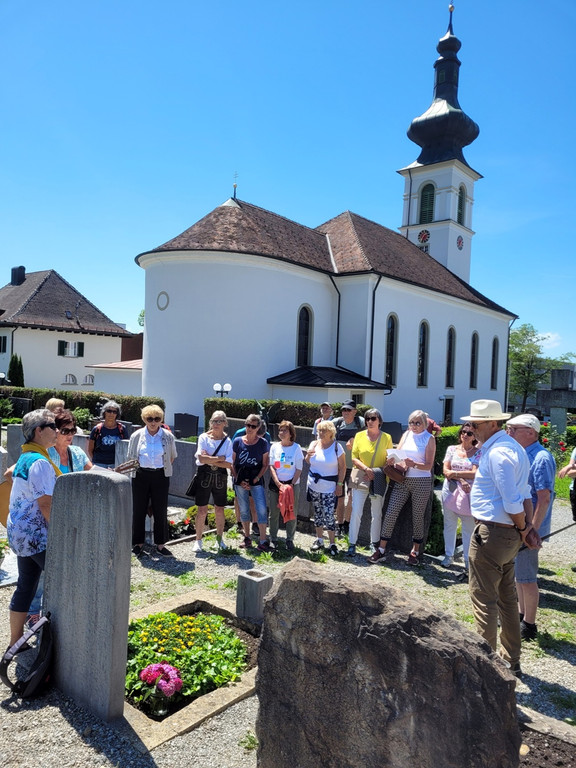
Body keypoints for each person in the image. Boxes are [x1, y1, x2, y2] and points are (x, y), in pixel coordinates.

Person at [461, 399, 540, 678]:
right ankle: (511, 661)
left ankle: (487, 669)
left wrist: (523, 528)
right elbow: (524, 493)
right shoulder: (513, 448)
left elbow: (513, 499)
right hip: (506, 534)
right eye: (470, 424)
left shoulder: (497, 453)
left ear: (493, 423)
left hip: (494, 532)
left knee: (484, 600)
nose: (471, 429)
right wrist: (527, 528)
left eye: (476, 424)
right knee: (507, 598)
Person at [6, 409, 61, 646]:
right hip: (36, 536)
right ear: (39, 431)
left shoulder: (26, 456)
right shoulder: (40, 462)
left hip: (20, 533)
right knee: (64, 581)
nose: (57, 430)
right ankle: (61, 641)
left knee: (26, 586)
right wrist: (60, 536)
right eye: (53, 426)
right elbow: (46, 504)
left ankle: (15, 642)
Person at [506, 413, 556, 641]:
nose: (510, 433)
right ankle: (520, 615)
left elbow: (543, 497)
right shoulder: (524, 454)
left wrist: (532, 530)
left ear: (530, 432)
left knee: (527, 577)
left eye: (514, 429)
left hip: (530, 527)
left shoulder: (541, 458)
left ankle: (529, 624)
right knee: (519, 575)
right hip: (523, 526)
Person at [368, 409, 436, 566]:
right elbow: (398, 454)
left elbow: (428, 466)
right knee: (391, 512)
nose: (413, 425)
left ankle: (415, 550)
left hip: (421, 481)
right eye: (411, 422)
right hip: (402, 478)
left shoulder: (429, 438)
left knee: (417, 516)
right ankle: (382, 549)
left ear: (425, 424)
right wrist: (392, 460)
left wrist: (414, 464)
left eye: (417, 422)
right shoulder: (406, 435)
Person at [128, 404, 178, 558]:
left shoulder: (168, 436)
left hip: (160, 476)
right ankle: (138, 544)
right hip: (140, 475)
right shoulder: (136, 436)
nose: (153, 422)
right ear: (144, 419)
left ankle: (161, 545)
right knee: (139, 510)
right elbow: (131, 456)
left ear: (160, 419)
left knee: (160, 510)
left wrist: (160, 469)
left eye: (157, 419)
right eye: (150, 418)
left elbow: (171, 457)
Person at [347, 409, 392, 556]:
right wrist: (367, 469)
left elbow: (389, 460)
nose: (370, 421)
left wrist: (375, 473)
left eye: (373, 418)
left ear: (379, 420)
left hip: (378, 479)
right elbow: (354, 457)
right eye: (367, 419)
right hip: (361, 478)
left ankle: (374, 543)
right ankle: (352, 542)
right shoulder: (359, 436)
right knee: (356, 511)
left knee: (376, 514)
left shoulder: (386, 437)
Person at [441, 422, 481, 576]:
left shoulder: (478, 453)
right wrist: (461, 478)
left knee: (468, 528)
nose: (465, 435)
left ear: (474, 437)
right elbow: (445, 470)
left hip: (468, 494)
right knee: (449, 524)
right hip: (450, 490)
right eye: (463, 432)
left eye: (469, 433)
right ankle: (448, 555)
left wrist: (457, 475)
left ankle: (467, 561)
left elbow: (475, 473)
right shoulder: (451, 449)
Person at [193, 410, 233, 552]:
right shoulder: (203, 437)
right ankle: (198, 540)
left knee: (220, 509)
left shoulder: (227, 441)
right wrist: (219, 458)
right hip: (203, 476)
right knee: (202, 509)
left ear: (225, 423)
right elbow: (201, 459)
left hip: (220, 477)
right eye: (213, 421)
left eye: (219, 421)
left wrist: (210, 459)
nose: (215, 424)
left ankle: (219, 539)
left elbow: (229, 464)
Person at [305, 420, 346, 556]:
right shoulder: (314, 444)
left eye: (324, 430)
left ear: (331, 432)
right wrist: (307, 456)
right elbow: (308, 461)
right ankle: (319, 539)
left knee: (328, 514)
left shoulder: (337, 447)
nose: (321, 433)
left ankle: (332, 543)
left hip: (329, 487)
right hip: (314, 485)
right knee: (317, 513)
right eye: (319, 430)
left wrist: (340, 484)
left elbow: (343, 467)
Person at [232, 414, 270, 551]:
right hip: (241, 478)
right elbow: (233, 463)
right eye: (247, 425)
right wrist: (239, 480)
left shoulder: (263, 443)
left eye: (253, 426)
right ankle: (247, 537)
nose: (249, 428)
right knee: (243, 509)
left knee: (260, 508)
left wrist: (257, 478)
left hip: (256, 478)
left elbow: (265, 464)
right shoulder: (237, 441)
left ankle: (263, 540)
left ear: (258, 427)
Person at [332, 400, 365, 536]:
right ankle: (339, 524)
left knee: (351, 497)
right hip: (340, 467)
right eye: (344, 410)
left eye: (349, 410)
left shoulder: (361, 423)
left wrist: (355, 440)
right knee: (340, 497)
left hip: (355, 467)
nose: (346, 412)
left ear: (355, 411)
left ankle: (347, 523)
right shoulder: (337, 423)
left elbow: (369, 438)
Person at [268, 420, 303, 552]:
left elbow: (299, 469)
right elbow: (271, 466)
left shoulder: (296, 448)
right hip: (276, 485)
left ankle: (289, 539)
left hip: (291, 485)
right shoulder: (274, 447)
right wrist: (278, 483)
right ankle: (273, 539)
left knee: (291, 512)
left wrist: (291, 485)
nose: (282, 433)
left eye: (285, 430)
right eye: (280, 430)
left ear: (291, 433)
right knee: (274, 512)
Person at [87, 400, 126, 468]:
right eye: (109, 411)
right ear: (104, 412)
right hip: (99, 464)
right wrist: (96, 463)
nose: (111, 414)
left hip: (116, 464)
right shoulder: (97, 429)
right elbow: (90, 449)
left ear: (117, 414)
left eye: (114, 412)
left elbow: (126, 447)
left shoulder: (122, 429)